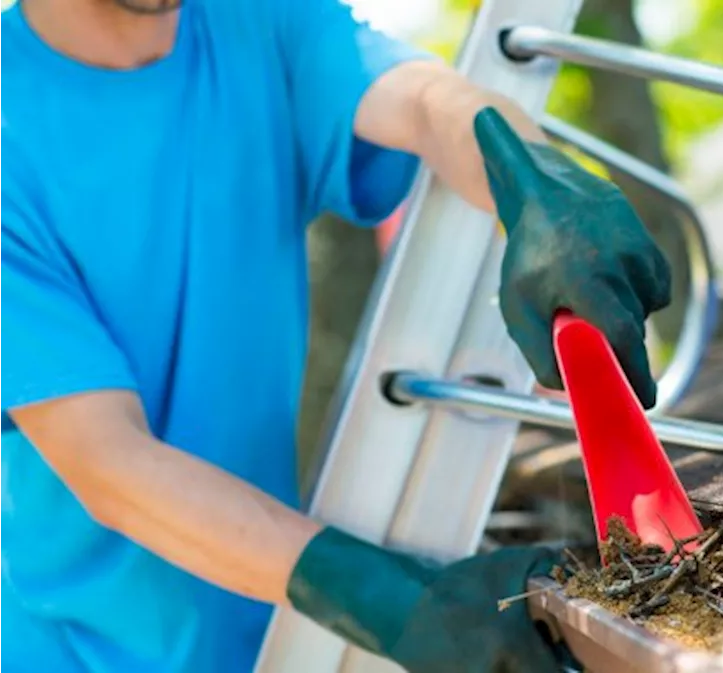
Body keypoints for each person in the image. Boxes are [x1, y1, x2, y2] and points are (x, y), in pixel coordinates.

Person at [0, 0, 672, 671]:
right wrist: (398, 600)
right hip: (73, 649)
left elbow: (424, 103)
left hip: (268, 626)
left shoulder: (256, 22)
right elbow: (108, 461)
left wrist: (531, 183)